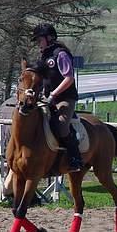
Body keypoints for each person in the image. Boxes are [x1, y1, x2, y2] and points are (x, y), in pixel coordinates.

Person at [31, 23, 83, 172]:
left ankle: (75, 158)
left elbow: (69, 78)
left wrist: (54, 94)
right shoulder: (43, 56)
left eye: (39, 40)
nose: (37, 44)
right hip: (47, 98)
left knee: (60, 125)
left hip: (65, 98)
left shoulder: (61, 54)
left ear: (49, 38)